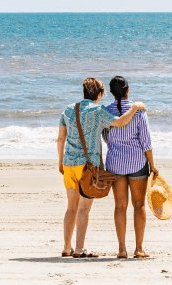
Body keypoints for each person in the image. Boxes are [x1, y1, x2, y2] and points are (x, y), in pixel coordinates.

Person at [57, 77, 145, 258]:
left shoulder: (68, 109)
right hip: (87, 167)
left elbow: (60, 138)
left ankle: (67, 247)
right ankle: (79, 249)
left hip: (69, 164)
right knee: (84, 209)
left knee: (71, 207)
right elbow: (120, 122)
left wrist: (60, 161)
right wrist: (135, 107)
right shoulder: (98, 110)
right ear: (99, 94)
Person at [104, 75, 158, 259]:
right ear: (128, 90)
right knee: (139, 205)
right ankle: (139, 248)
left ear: (111, 93)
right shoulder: (140, 112)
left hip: (115, 164)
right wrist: (153, 166)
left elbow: (104, 137)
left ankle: (121, 249)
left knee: (120, 206)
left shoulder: (105, 111)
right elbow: (146, 143)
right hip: (137, 164)